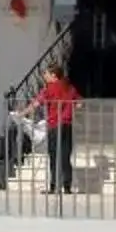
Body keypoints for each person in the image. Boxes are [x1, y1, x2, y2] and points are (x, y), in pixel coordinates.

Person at [28, 65, 83, 196]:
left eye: (46, 74)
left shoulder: (49, 88)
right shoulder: (70, 87)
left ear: (54, 75)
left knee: (54, 156)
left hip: (54, 125)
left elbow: (36, 104)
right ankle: (67, 187)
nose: (44, 76)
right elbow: (80, 102)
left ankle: (54, 186)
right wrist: (72, 108)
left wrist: (22, 113)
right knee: (65, 156)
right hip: (67, 125)